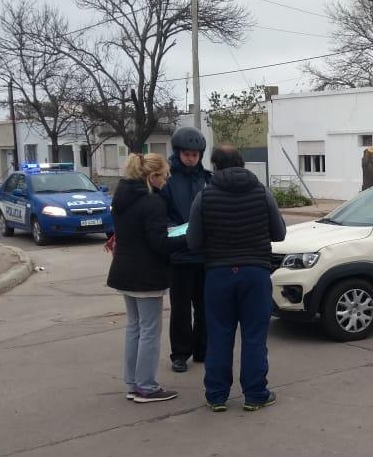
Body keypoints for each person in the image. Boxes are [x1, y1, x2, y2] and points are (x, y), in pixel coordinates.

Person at [186, 146, 286, 412]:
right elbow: (279, 234)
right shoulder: (262, 193)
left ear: (216, 166)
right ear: (242, 164)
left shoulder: (204, 197)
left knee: (219, 335)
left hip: (218, 274)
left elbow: (193, 242)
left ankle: (217, 396)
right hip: (255, 273)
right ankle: (255, 395)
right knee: (254, 336)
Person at [107, 153, 187, 403]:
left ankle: (133, 383)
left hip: (124, 272)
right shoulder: (153, 203)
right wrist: (188, 237)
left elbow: (138, 233)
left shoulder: (122, 197)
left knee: (134, 329)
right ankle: (147, 387)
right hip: (147, 275)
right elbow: (159, 243)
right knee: (150, 331)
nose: (167, 180)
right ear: (152, 177)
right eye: (164, 176)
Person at [159, 126, 212, 374]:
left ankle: (203, 348)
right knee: (180, 309)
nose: (191, 158)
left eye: (195, 155)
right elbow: (163, 215)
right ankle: (180, 353)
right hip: (179, 255)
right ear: (178, 153)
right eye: (187, 154)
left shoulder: (208, 180)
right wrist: (179, 231)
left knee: (205, 306)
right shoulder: (167, 181)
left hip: (203, 255)